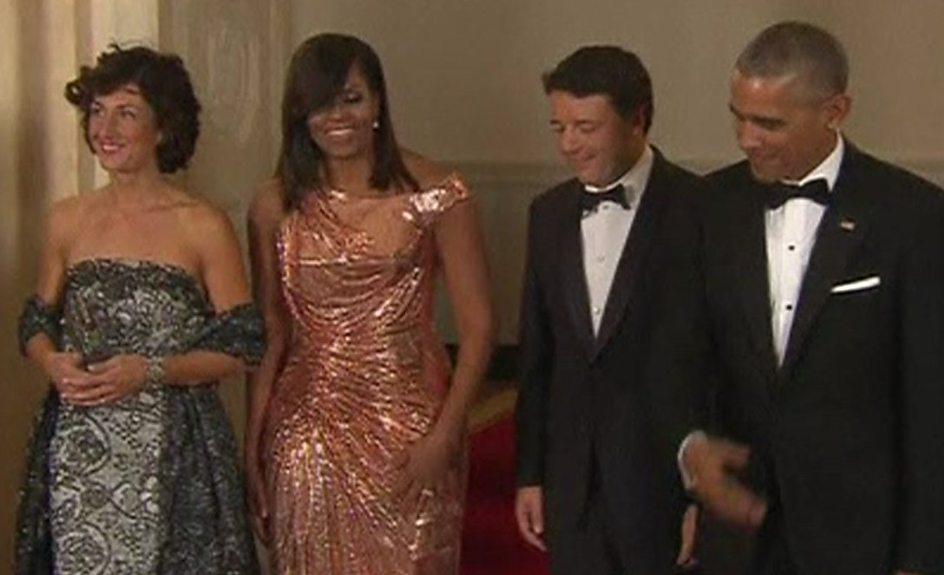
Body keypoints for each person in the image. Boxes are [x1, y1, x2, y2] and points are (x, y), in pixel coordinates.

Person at [683, 21, 944, 574]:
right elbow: (683, 358)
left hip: (858, 534)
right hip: (740, 533)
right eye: (738, 116)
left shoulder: (913, 217)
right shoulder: (709, 206)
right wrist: (689, 448)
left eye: (769, 123)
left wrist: (924, 558)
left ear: (835, 111)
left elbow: (936, 407)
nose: (747, 139)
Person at [245, 33, 494, 574]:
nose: (337, 116)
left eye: (352, 98)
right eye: (319, 103)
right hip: (304, 431)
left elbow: (478, 331)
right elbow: (272, 333)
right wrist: (253, 447)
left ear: (379, 102)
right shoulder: (273, 205)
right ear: (298, 113)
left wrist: (447, 435)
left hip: (409, 426)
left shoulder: (437, 193)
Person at [15, 45, 263, 574]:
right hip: (80, 442)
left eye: (126, 112)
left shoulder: (202, 224)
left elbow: (243, 343)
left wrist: (149, 371)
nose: (106, 127)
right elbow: (37, 320)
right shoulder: (67, 219)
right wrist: (51, 363)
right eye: (97, 111)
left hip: (176, 449)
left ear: (164, 128)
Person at [514, 46, 711, 575]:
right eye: (559, 128)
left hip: (663, 484)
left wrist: (705, 499)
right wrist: (530, 473)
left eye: (586, 127)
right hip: (573, 485)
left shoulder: (703, 210)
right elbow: (538, 354)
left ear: (638, 119)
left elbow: (721, 363)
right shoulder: (549, 214)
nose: (569, 145)